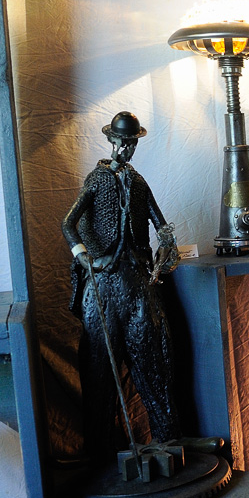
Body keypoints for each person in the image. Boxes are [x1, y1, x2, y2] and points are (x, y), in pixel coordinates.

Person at [62, 110, 181, 461]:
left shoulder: (139, 182)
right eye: (123, 143)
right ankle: (101, 452)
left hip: (136, 280)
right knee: (100, 366)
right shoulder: (97, 180)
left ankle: (168, 440)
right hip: (102, 283)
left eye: (132, 144)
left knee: (153, 358)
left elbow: (160, 223)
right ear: (112, 140)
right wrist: (82, 254)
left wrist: (167, 243)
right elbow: (69, 223)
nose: (127, 149)